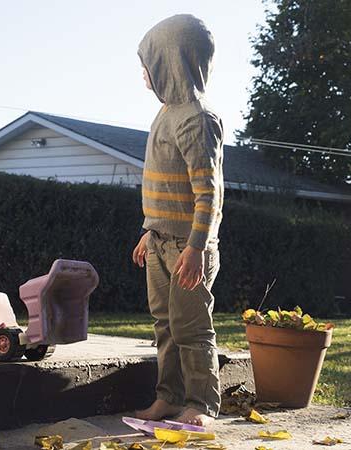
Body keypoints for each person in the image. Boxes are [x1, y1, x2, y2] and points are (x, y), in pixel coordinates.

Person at [131, 14, 224, 427]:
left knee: (191, 329)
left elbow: (208, 192)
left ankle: (202, 404)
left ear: (171, 61)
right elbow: (165, 189)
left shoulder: (196, 119)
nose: (145, 74)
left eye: (149, 63)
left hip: (189, 248)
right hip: (159, 243)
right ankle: (168, 397)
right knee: (164, 326)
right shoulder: (165, 114)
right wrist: (149, 231)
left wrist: (196, 248)